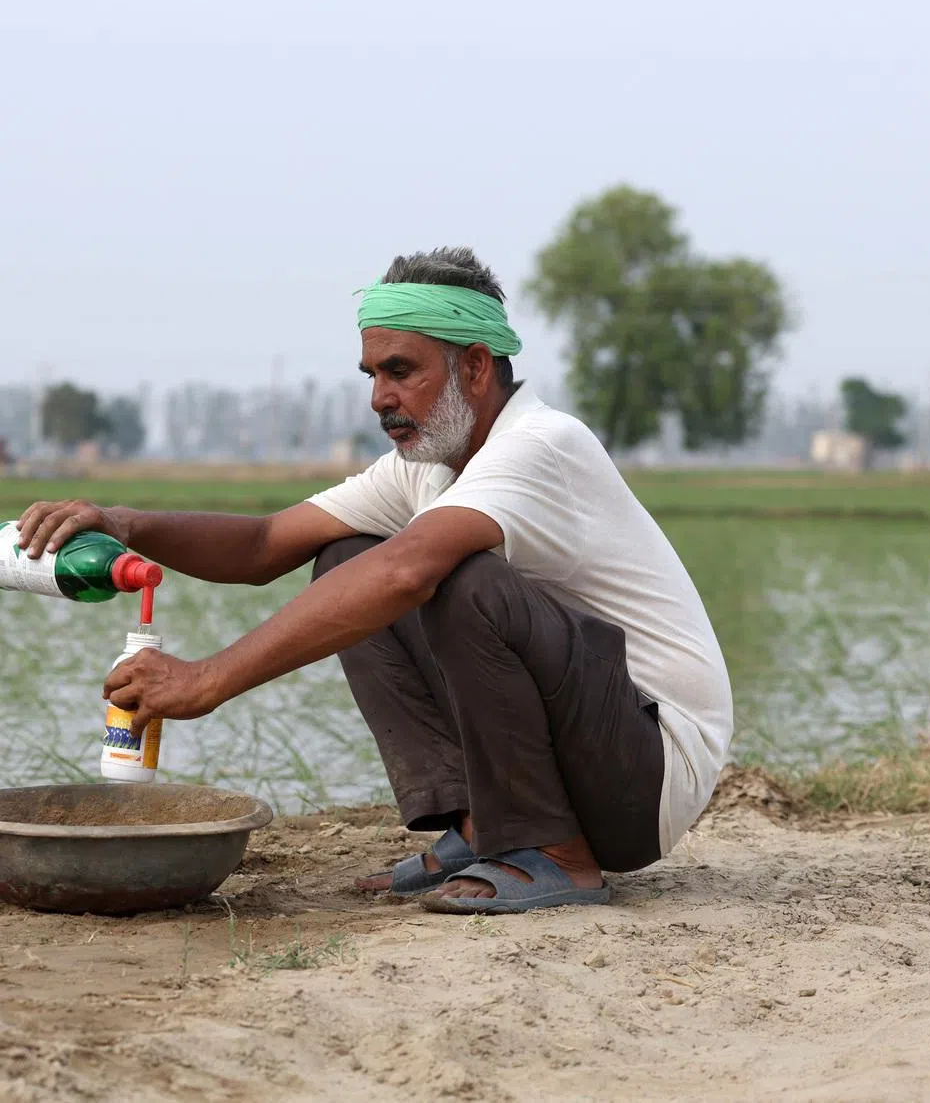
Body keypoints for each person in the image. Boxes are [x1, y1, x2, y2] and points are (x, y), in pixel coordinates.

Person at [16, 247, 733, 914]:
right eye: (372, 376)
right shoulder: (428, 467)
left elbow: (407, 570)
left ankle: (555, 854)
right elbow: (267, 543)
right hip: (596, 752)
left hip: (648, 773)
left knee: (448, 577)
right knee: (345, 555)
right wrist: (123, 522)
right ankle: (484, 827)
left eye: (401, 371)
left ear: (477, 369)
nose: (378, 398)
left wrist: (207, 680)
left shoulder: (540, 446)